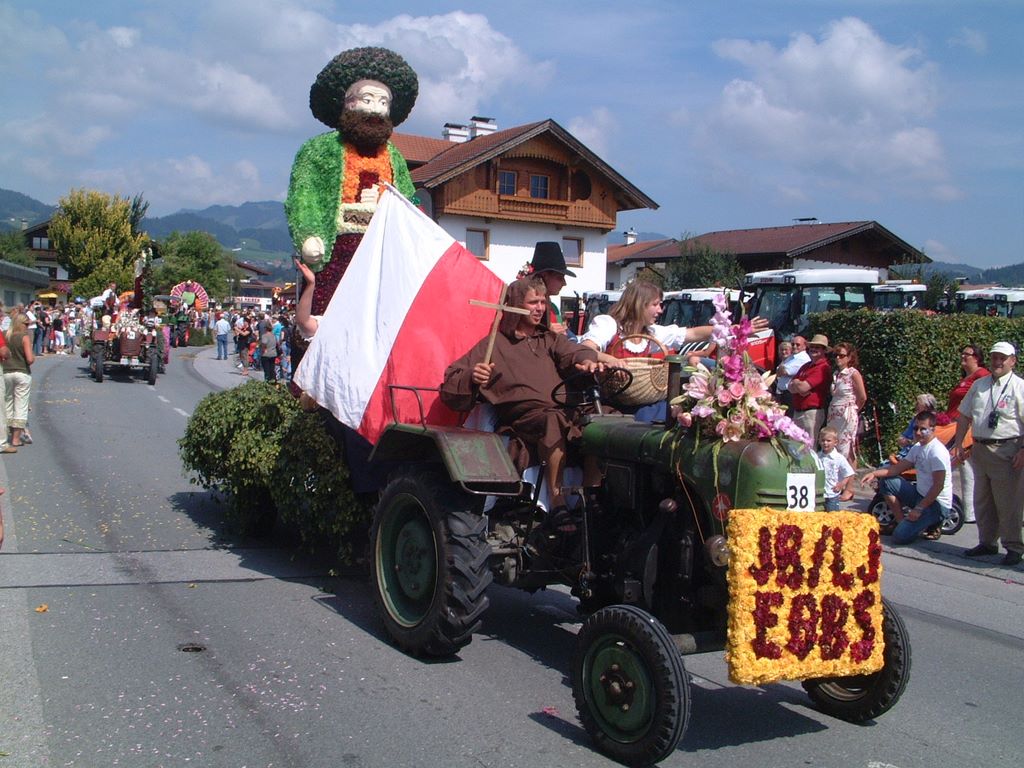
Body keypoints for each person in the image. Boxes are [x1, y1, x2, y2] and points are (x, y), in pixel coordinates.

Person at [441, 277, 603, 513]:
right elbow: (452, 380)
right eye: (533, 302)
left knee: (604, 420)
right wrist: (473, 376)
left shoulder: (548, 339)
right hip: (526, 418)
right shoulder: (494, 344)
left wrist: (586, 360)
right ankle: (557, 503)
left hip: (565, 409)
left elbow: (573, 352)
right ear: (516, 305)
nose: (540, 308)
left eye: (543, 302)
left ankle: (591, 497)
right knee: (552, 420)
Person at [285, 47, 418, 320]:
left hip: (381, 252)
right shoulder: (319, 149)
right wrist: (309, 234)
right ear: (347, 104)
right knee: (329, 313)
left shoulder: (394, 155)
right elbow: (304, 196)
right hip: (336, 250)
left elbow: (409, 200)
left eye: (384, 103)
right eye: (367, 99)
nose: (376, 109)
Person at [952, 341, 1024, 566]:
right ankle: (987, 542)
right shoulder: (980, 384)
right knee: (983, 500)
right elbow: (964, 415)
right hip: (980, 448)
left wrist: (1023, 450)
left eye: (1003, 358)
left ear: (1013, 361)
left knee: (1008, 502)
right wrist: (959, 443)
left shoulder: (1019, 386)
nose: (998, 362)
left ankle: (1013, 547)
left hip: (1007, 449)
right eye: (994, 357)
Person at [861, 410, 952, 545]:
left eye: (923, 429)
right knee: (887, 481)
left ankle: (933, 522)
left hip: (936, 503)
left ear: (933, 429)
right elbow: (896, 469)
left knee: (899, 537)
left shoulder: (937, 452)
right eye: (915, 428)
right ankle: (900, 521)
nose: (918, 432)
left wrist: (919, 509)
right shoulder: (917, 447)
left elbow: (938, 486)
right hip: (919, 494)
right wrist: (874, 474)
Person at [945, 344, 989, 523]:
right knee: (963, 467)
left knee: (964, 466)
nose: (963, 356)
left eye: (967, 354)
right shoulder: (966, 377)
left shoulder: (982, 375)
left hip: (967, 429)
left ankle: (971, 512)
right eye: (962, 353)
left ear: (977, 358)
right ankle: (970, 511)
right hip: (953, 427)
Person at [827, 342, 868, 466]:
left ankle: (849, 477)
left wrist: (854, 410)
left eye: (841, 355)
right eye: (836, 355)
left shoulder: (853, 373)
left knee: (847, 447)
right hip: (834, 414)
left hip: (847, 414)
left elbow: (862, 397)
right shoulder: (836, 374)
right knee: (834, 445)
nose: (838, 358)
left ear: (849, 357)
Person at [788, 334, 832, 439]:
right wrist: (798, 384)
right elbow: (789, 387)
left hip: (811, 413)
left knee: (809, 445)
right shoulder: (806, 366)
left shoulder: (823, 368)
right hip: (798, 411)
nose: (813, 349)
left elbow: (802, 387)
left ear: (824, 350)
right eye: (812, 347)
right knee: (794, 444)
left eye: (817, 347)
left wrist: (797, 383)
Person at [2, 313, 35, 449]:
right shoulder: (24, 337)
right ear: (21, 324)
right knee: (21, 405)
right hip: (21, 372)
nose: (27, 327)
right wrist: (33, 357)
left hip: (6, 372)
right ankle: (16, 439)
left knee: (7, 404)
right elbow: (29, 359)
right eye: (26, 324)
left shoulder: (5, 335)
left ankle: (6, 435)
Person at [528, 241, 574, 336]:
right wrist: (546, 332)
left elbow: (562, 331)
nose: (564, 283)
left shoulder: (554, 308)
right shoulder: (525, 307)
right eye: (560, 278)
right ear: (545, 276)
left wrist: (564, 331)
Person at [818, 426, 855, 511]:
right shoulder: (818, 456)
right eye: (823, 440)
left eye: (828, 441)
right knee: (819, 515)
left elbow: (849, 473)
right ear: (819, 441)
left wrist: (842, 484)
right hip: (820, 493)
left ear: (835, 442)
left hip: (832, 493)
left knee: (833, 515)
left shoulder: (839, 458)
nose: (825, 443)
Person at [775, 335, 809, 407]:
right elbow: (778, 372)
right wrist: (781, 369)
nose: (794, 346)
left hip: (790, 395)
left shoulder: (802, 358)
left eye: (798, 345)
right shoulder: (792, 357)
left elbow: (783, 372)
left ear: (804, 346)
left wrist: (781, 368)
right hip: (783, 394)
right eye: (793, 344)